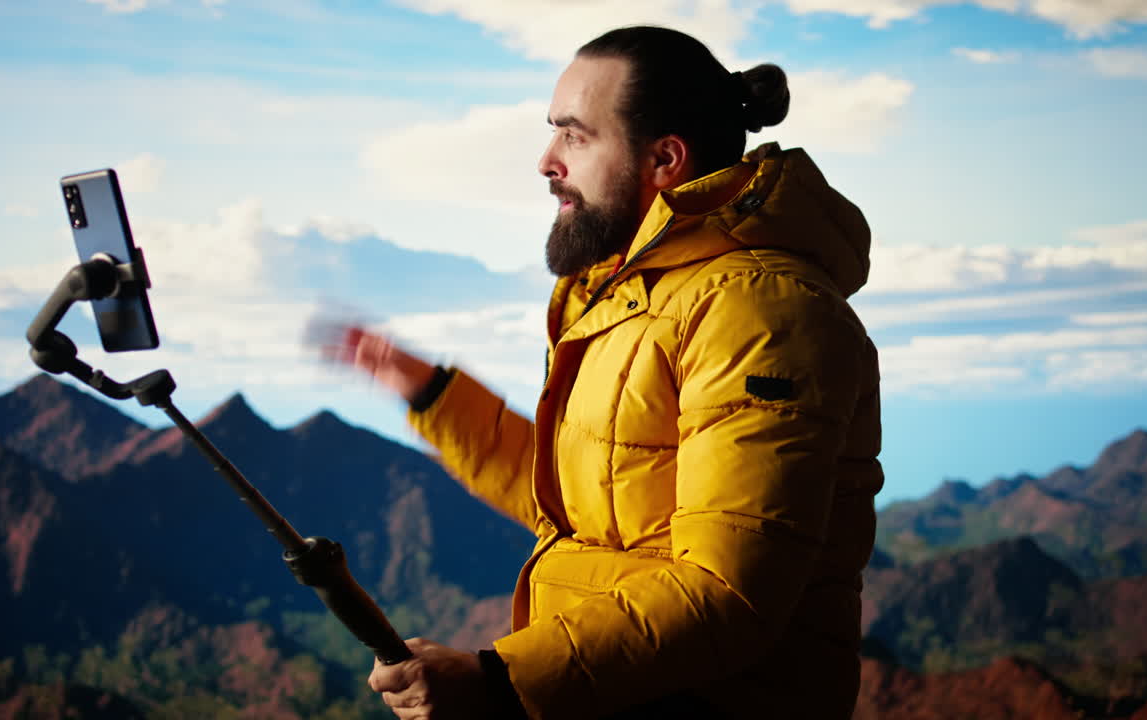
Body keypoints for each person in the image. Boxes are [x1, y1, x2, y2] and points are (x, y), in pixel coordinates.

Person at [337, 25, 883, 720]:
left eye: (575, 136)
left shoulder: (758, 310)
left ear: (664, 160)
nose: (546, 161)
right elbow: (583, 506)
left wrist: (501, 679)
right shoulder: (634, 298)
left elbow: (728, 592)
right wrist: (438, 397)